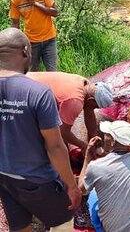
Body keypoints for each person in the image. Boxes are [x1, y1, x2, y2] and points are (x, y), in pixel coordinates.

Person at [0, 28, 82, 231]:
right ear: (26, 52)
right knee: (64, 222)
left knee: (20, 227)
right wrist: (71, 186)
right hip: (38, 180)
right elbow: (55, 146)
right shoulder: (38, 92)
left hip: (4, 177)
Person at [78, 120, 130, 232]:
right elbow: (119, 158)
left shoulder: (96, 167)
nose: (103, 136)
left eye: (107, 134)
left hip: (109, 229)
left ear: (113, 141)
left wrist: (88, 156)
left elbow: (82, 190)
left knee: (93, 193)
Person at [27, 71, 113, 153]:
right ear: (91, 100)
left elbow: (89, 113)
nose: (93, 109)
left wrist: (95, 141)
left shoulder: (84, 84)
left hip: (25, 79)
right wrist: (83, 145)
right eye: (95, 106)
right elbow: (62, 132)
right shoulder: (75, 101)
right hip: (24, 94)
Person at [9, 0, 58, 71]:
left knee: (52, 72)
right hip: (31, 42)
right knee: (32, 73)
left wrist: (35, 3)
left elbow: (55, 13)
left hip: (49, 39)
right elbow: (15, 23)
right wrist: (15, 44)